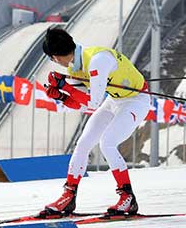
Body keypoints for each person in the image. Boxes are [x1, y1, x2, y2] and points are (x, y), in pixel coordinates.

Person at [39, 27, 150, 217]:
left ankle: (128, 198)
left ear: (56, 57)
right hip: (114, 100)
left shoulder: (97, 61)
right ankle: (68, 196)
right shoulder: (76, 66)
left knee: (107, 143)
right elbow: (82, 104)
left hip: (136, 100)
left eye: (51, 59)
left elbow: (93, 102)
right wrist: (61, 96)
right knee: (83, 144)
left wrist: (65, 87)